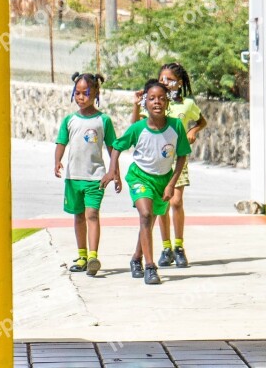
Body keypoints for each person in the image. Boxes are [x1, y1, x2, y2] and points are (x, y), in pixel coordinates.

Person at [102, 79, 191, 285]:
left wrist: (171, 184)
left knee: (149, 221)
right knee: (145, 215)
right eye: (151, 98)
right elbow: (117, 146)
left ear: (167, 102)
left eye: (161, 98)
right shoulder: (138, 128)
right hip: (140, 177)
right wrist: (112, 171)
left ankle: (136, 258)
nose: (157, 102)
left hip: (163, 180)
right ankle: (150, 267)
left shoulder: (176, 126)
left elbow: (182, 157)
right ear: (145, 103)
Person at [131, 62, 207, 268]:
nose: (165, 82)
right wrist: (137, 104)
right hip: (157, 160)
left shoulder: (187, 104)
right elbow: (137, 123)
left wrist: (193, 131)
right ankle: (166, 247)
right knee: (162, 204)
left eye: (170, 79)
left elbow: (202, 121)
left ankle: (179, 246)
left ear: (179, 83)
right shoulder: (157, 101)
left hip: (177, 158)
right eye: (162, 78)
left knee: (176, 201)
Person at [54, 72, 116, 277]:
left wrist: (114, 172)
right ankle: (81, 256)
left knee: (92, 214)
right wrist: (57, 161)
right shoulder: (70, 120)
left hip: (95, 178)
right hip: (73, 178)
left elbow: (112, 148)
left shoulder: (103, 120)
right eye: (77, 93)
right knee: (78, 216)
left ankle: (93, 257)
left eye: (85, 93)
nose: (81, 97)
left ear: (96, 92)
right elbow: (61, 143)